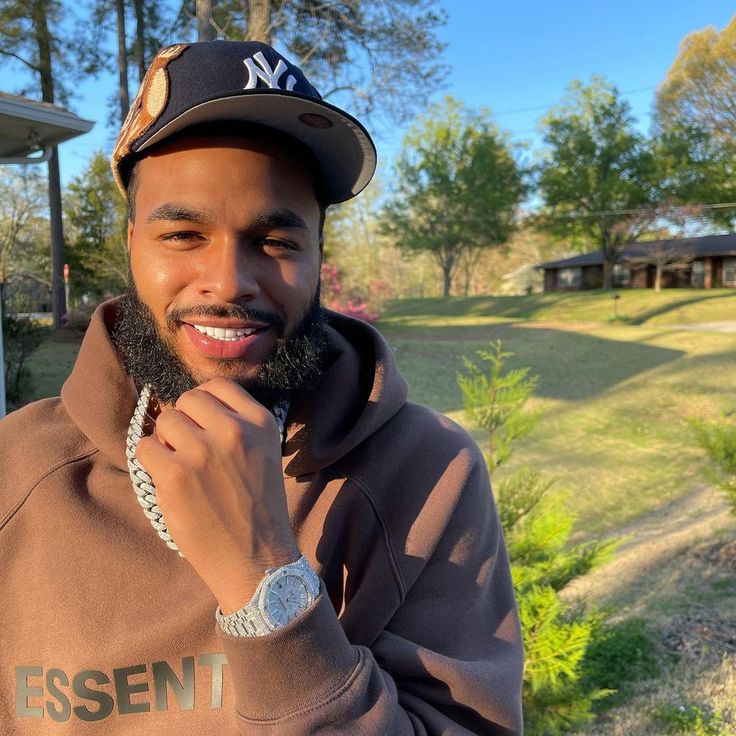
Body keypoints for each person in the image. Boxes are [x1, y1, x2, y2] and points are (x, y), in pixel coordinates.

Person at [0, 41, 523, 734]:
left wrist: (264, 579)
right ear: (132, 245)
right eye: (183, 234)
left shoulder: (430, 472)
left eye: (276, 241)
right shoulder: (17, 468)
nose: (229, 282)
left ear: (317, 257)